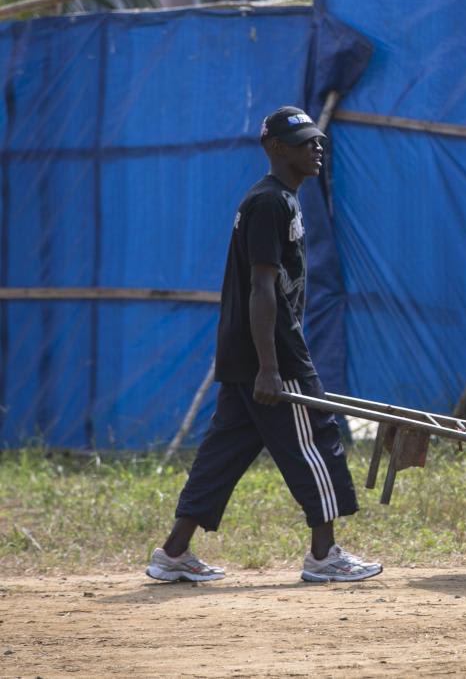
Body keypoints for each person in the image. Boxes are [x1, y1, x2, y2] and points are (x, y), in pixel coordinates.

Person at [147, 106, 381, 584]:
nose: (317, 148)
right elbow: (261, 287)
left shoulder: (283, 200)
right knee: (316, 440)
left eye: (318, 140)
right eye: (304, 142)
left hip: (247, 353)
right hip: (270, 354)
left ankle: (173, 553)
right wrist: (271, 368)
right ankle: (324, 556)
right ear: (276, 148)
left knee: (224, 453)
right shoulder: (269, 203)